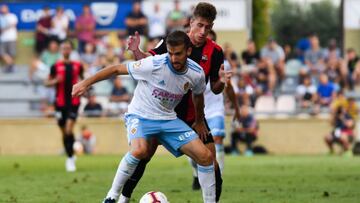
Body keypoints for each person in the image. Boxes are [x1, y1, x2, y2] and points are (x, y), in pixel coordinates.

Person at [72, 31, 216, 203]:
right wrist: (84, 83)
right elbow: (116, 69)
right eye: (170, 53)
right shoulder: (155, 64)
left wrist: (199, 121)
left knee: (206, 157)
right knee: (140, 150)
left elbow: (198, 96)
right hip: (140, 115)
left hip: (168, 119)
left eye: (178, 54)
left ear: (189, 51)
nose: (173, 58)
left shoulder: (196, 73)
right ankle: (111, 197)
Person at [123, 3, 231, 202]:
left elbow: (215, 88)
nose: (203, 32)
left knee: (212, 163)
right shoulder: (174, 41)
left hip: (194, 116)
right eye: (199, 25)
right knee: (143, 155)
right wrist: (137, 52)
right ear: (191, 22)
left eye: (208, 28)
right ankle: (124, 197)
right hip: (162, 112)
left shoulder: (215, 51)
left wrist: (222, 82)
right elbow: (149, 61)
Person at [45, 40, 84, 172]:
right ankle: (70, 152)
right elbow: (46, 82)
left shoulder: (78, 65)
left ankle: (70, 158)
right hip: (59, 103)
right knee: (64, 132)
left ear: (71, 50)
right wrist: (55, 80)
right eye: (64, 48)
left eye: (68, 48)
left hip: (73, 102)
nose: (66, 50)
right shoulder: (55, 66)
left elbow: (83, 80)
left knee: (68, 129)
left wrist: (84, 88)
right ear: (61, 50)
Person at [0, 4, 18, 73]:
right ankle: (12, 65)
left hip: (11, 37)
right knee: (2, 53)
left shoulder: (12, 16)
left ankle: (9, 67)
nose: (2, 9)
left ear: (7, 9)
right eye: (2, 8)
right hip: (2, 38)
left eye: (4, 8)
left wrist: (4, 28)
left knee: (11, 54)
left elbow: (13, 24)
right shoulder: (0, 17)